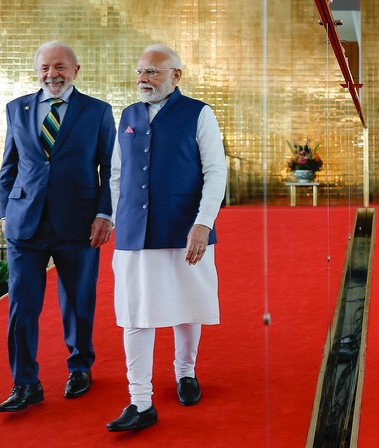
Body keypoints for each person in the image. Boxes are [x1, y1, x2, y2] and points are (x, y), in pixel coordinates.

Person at [105, 44, 227, 432]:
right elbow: (117, 174)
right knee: (135, 314)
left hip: (183, 226)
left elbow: (215, 171)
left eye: (153, 72)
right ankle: (140, 401)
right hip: (134, 232)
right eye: (140, 71)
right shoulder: (127, 115)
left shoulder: (199, 113)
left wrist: (203, 222)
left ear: (176, 76)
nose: (143, 79)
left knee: (187, 304)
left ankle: (185, 372)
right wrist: (112, 216)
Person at [0, 41, 115, 412]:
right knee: (22, 306)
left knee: (79, 302)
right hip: (24, 224)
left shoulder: (97, 111)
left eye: (60, 67)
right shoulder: (17, 108)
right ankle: (25, 383)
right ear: (37, 71)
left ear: (76, 70)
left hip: (79, 223)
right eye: (45, 68)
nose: (53, 74)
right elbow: (8, 167)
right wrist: (4, 213)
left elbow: (111, 168)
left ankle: (80, 367)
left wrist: (105, 214)